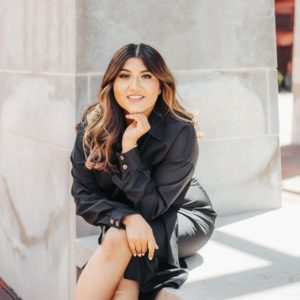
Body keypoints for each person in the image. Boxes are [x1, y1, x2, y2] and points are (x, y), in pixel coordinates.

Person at [70, 43, 217, 300]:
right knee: (123, 264)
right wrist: (127, 217)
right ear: (112, 83)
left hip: (180, 213)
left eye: (146, 76)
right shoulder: (92, 126)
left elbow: (153, 207)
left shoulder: (180, 131)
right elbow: (83, 197)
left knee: (120, 240)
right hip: (128, 219)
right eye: (124, 76)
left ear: (161, 85)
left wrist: (129, 149)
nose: (134, 86)